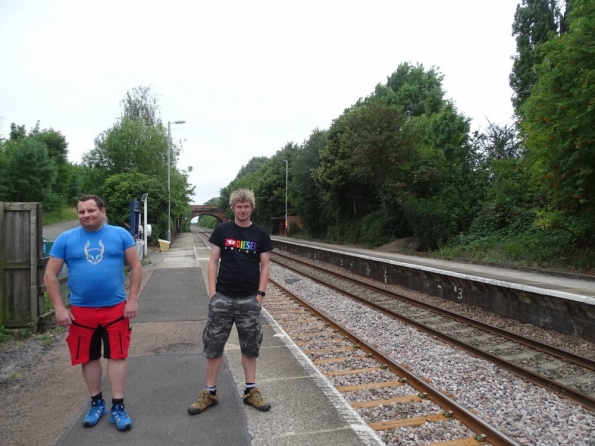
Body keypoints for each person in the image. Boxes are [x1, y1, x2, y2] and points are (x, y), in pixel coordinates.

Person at [44, 194, 142, 432]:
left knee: (117, 355)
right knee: (87, 357)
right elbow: (50, 275)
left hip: (116, 309)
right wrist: (59, 307)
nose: (86, 215)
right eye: (81, 212)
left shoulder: (120, 235)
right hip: (81, 312)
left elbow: (136, 267)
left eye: (91, 211)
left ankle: (118, 406)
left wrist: (133, 300)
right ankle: (96, 403)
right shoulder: (66, 239)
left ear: (102, 211)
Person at [188, 188, 273, 415]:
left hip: (249, 299)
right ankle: (210, 392)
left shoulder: (261, 234)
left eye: (246, 206)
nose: (242, 210)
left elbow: (265, 265)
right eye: (239, 206)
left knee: (250, 347)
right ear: (233, 208)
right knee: (213, 346)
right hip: (222, 297)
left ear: (251, 208)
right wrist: (213, 292)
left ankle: (250, 391)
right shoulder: (222, 230)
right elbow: (213, 261)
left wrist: (260, 295)